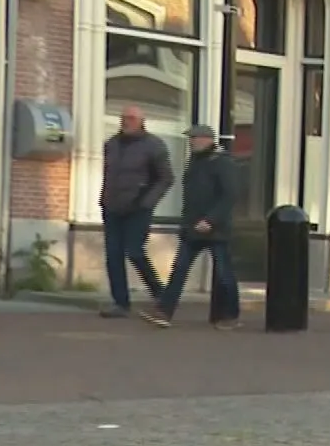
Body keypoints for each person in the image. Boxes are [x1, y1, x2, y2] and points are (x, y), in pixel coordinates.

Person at [143, 125, 241, 329]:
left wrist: (211, 220)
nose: (191, 142)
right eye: (190, 139)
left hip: (217, 229)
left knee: (224, 274)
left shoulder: (222, 162)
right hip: (192, 227)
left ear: (207, 139)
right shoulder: (194, 162)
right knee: (179, 270)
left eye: (194, 138)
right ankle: (164, 311)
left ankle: (230, 315)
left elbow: (229, 195)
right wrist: (187, 223)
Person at [98, 106, 174, 318]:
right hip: (112, 207)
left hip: (138, 208)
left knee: (134, 251)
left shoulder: (154, 145)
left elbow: (166, 178)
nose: (126, 122)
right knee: (113, 255)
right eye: (123, 118)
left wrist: (147, 202)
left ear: (141, 121)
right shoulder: (111, 144)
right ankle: (120, 303)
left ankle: (160, 293)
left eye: (131, 118)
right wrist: (104, 199)